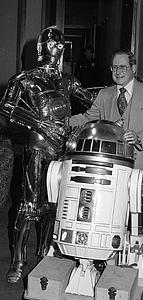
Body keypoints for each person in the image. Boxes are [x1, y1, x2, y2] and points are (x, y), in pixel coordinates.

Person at [0, 25, 94, 284]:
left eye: (61, 44)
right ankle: (18, 259)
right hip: (38, 146)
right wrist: (39, 123)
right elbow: (7, 107)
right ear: (41, 47)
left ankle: (46, 252)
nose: (57, 48)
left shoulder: (66, 80)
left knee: (55, 204)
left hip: (62, 148)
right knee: (30, 205)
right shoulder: (24, 79)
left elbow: (91, 100)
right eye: (52, 43)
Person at [70, 49, 143, 285]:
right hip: (115, 166)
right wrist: (63, 120)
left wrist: (140, 136)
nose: (118, 72)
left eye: (123, 67)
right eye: (114, 67)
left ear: (133, 68)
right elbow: (89, 117)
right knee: (116, 212)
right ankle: (114, 260)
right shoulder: (104, 95)